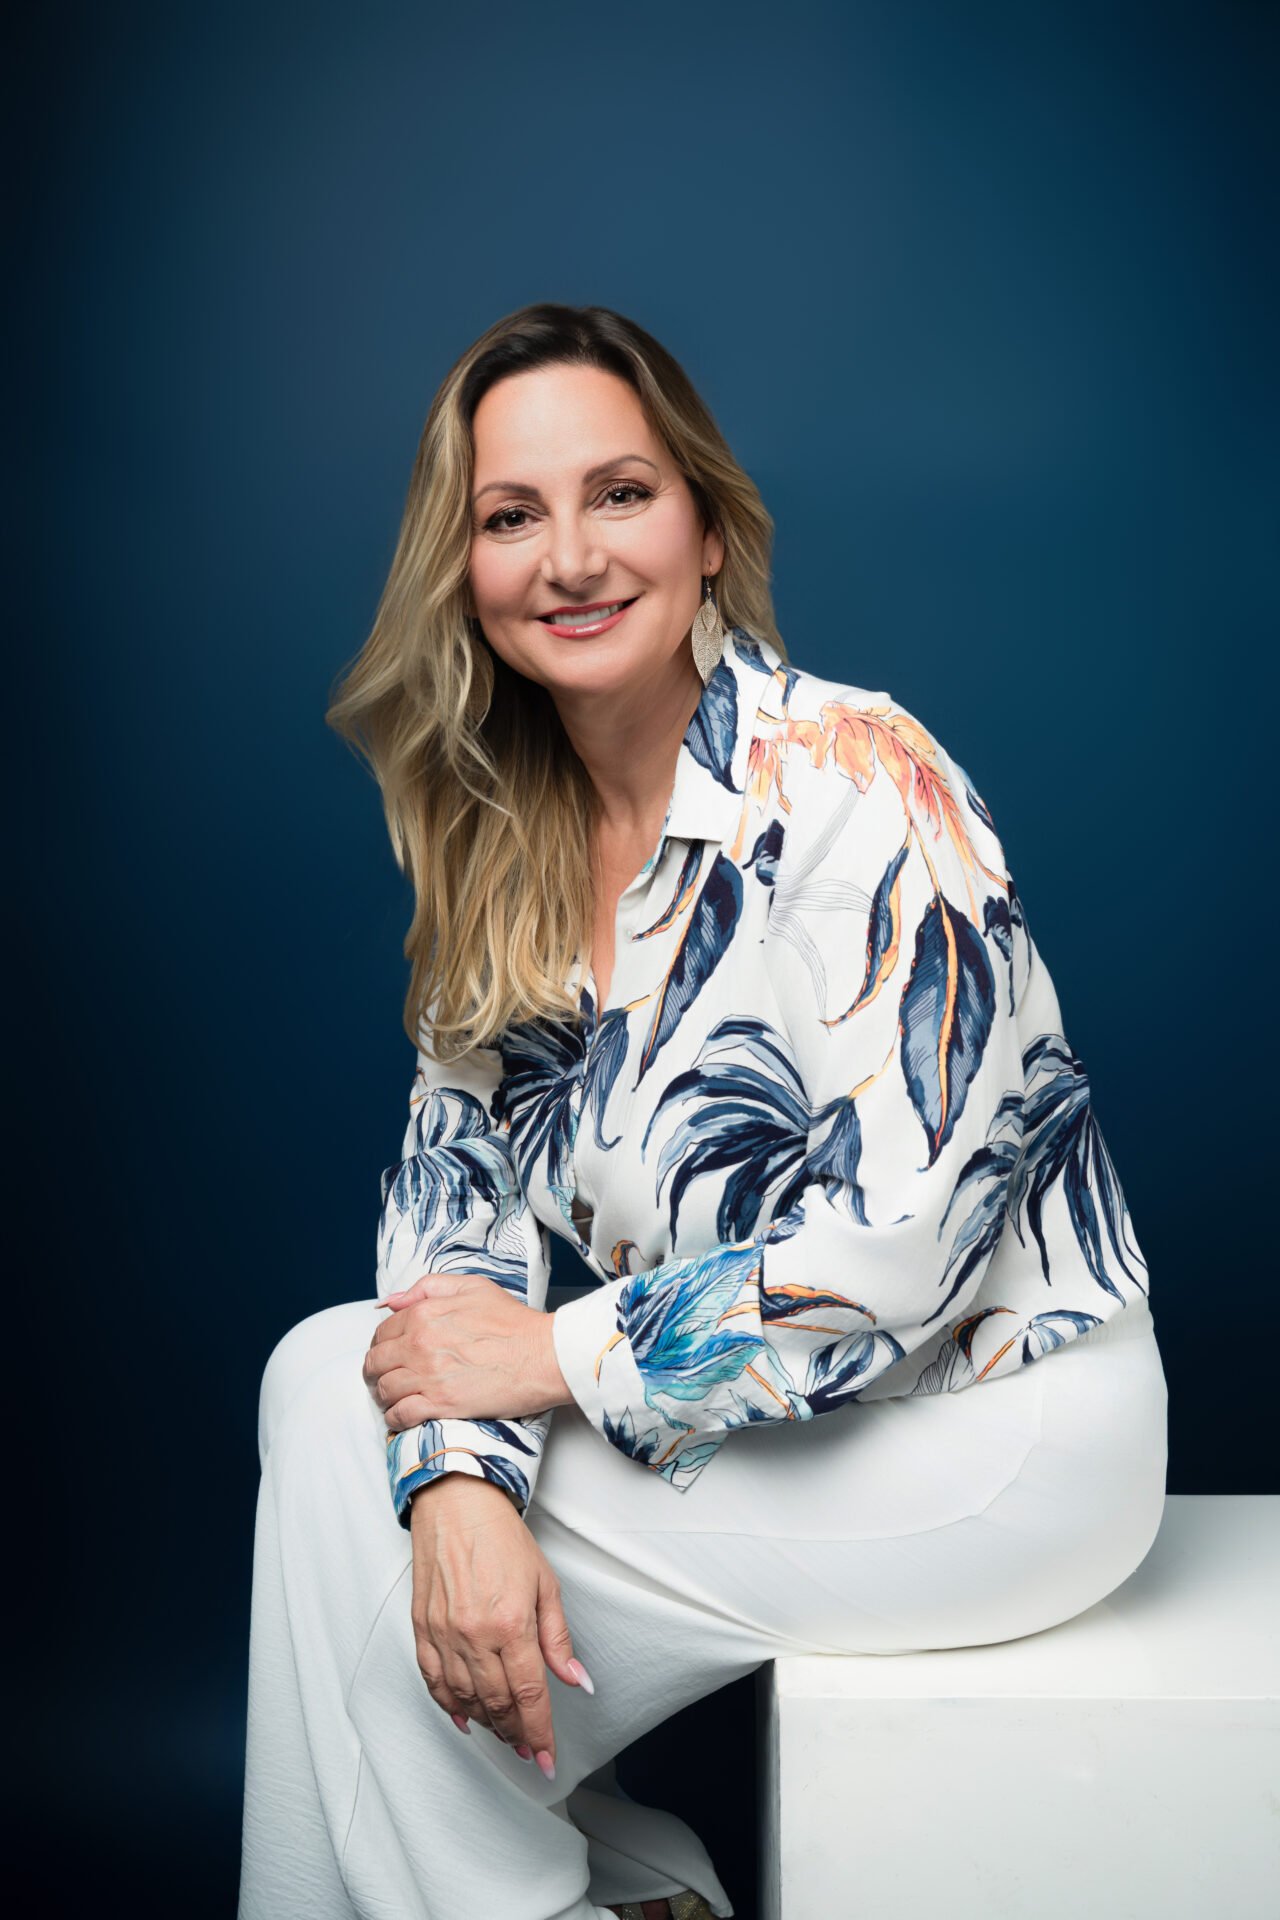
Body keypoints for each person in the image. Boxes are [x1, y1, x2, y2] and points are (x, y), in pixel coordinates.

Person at [237, 303, 1168, 1920]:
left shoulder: (858, 776)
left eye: (620, 494)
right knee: (325, 1379)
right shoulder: (503, 839)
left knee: (347, 1528)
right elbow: (451, 1216)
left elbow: (908, 1249)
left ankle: (592, 1891)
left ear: (708, 529)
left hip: (997, 1435)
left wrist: (544, 1365)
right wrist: (459, 1482)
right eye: (511, 517)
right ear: (466, 572)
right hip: (773, 1425)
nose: (571, 558)